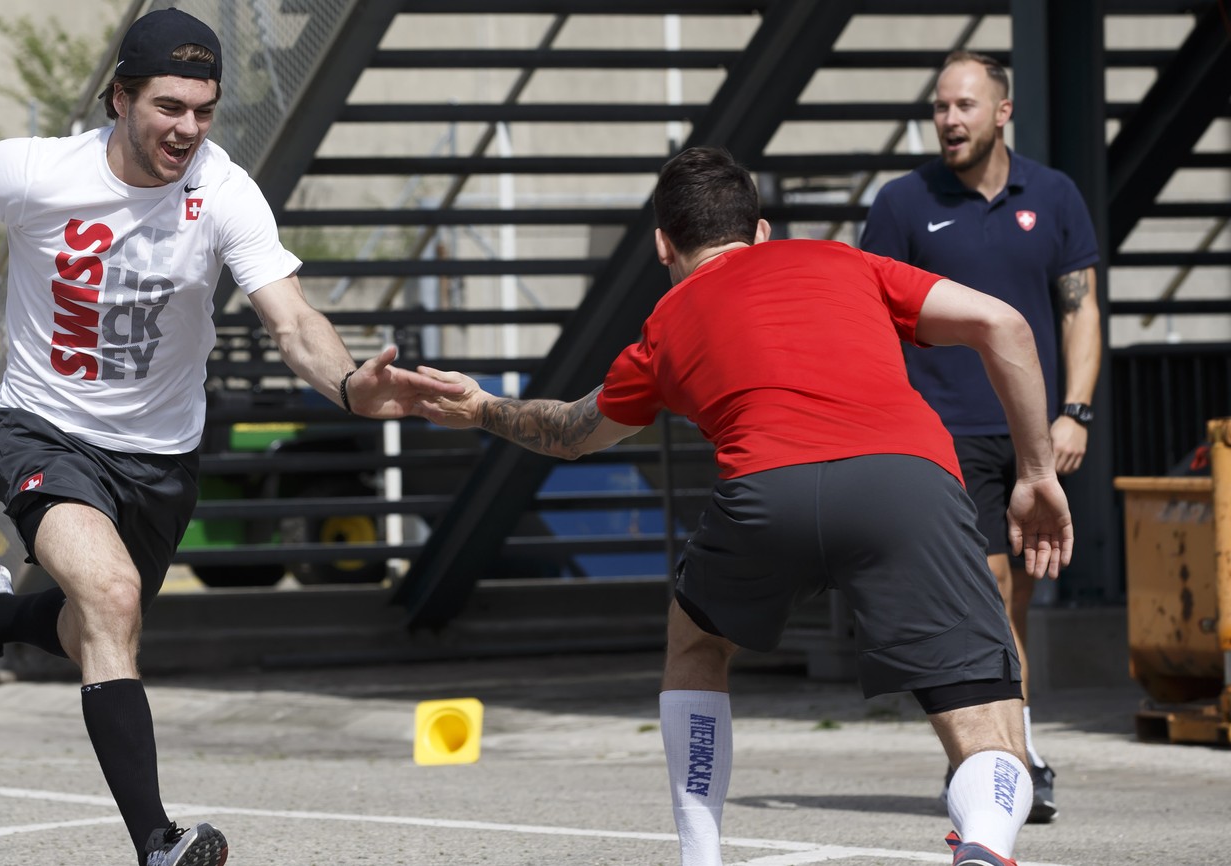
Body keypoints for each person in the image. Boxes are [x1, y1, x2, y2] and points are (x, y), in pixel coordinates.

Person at [0, 8, 461, 866]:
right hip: (45, 429)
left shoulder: (224, 190)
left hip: (160, 456)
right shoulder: (41, 171)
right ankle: (158, 842)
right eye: (167, 107)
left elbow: (292, 319)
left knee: (96, 633)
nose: (187, 129)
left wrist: (348, 384)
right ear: (119, 98)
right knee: (112, 598)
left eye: (204, 109)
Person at [413, 146, 1072, 866]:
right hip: (905, 483)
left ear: (664, 244)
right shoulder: (844, 262)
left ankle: (702, 856)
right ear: (761, 231)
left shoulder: (667, 321)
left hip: (766, 490)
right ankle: (982, 844)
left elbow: (573, 431)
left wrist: (482, 409)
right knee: (984, 715)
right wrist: (1036, 472)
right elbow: (1004, 325)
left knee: (696, 641)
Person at [860, 50, 1101, 823]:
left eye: (964, 106)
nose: (948, 120)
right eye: (939, 107)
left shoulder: (1055, 196)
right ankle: (998, 762)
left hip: (1033, 436)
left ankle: (1009, 755)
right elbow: (870, 321)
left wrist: (1076, 410)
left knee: (1018, 597)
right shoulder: (902, 204)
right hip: (943, 434)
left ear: (1002, 112)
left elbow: (1080, 309)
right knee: (987, 596)